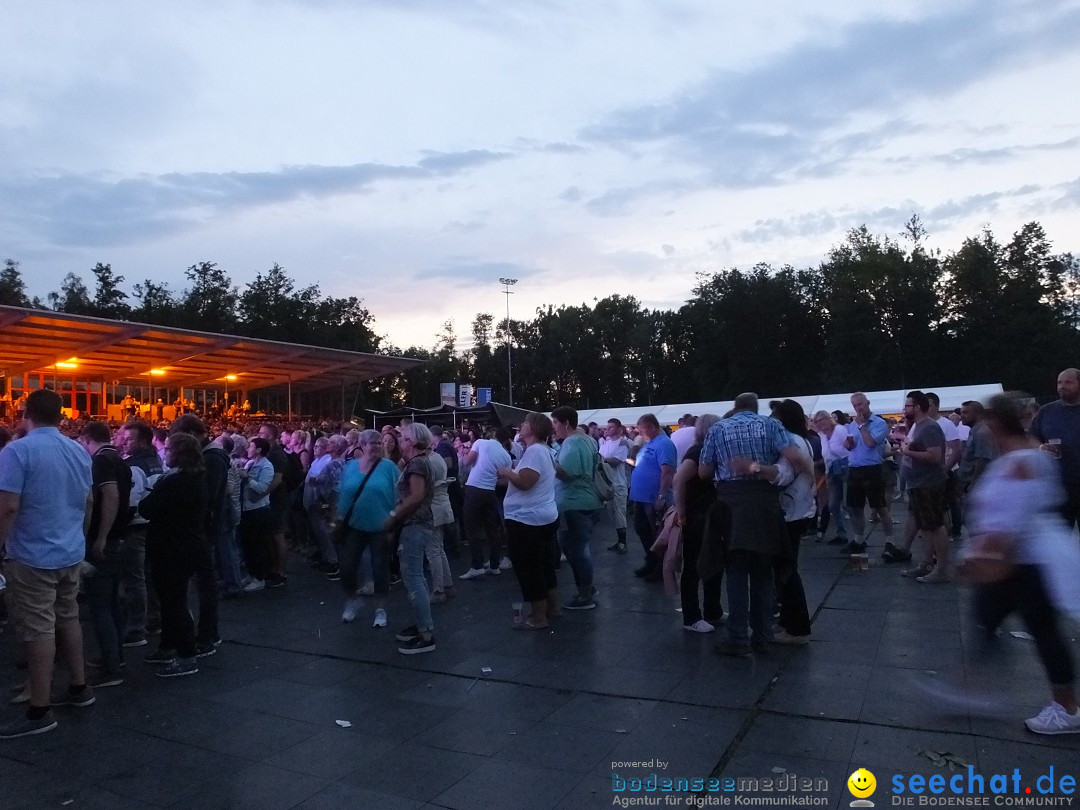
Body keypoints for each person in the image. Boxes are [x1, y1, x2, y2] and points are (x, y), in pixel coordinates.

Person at [927, 393, 1080, 735]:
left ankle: (1067, 708)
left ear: (995, 424)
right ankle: (969, 689)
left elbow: (1010, 520)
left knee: (1043, 632)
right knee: (986, 622)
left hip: (1024, 563)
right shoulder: (1030, 455)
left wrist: (984, 558)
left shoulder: (1019, 463)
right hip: (1018, 560)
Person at [0, 389, 95, 739]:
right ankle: (78, 687)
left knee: (39, 629)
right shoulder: (78, 451)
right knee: (68, 617)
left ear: (26, 414)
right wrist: (80, 540)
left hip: (33, 555)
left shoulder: (18, 451)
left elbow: (8, 507)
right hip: (69, 551)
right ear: (61, 415)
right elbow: (87, 501)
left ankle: (39, 710)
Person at [698, 392, 808, 656]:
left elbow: (703, 472)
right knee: (763, 571)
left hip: (731, 504)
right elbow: (794, 458)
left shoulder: (719, 428)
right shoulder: (772, 425)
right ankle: (763, 636)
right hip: (765, 503)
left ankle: (738, 638)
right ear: (756, 408)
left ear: (735, 407)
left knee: (736, 571)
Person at [139, 433, 208, 677]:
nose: (164, 453)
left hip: (171, 548)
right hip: (188, 545)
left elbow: (146, 508)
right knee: (172, 599)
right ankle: (168, 646)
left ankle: (186, 655)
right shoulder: (197, 477)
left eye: (168, 449)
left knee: (174, 601)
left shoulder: (174, 482)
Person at [77, 421, 133, 688]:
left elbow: (109, 496)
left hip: (105, 540)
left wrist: (99, 536)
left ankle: (110, 666)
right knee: (112, 602)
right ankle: (115, 656)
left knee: (100, 605)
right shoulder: (120, 460)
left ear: (88, 439)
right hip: (121, 537)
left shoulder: (100, 462)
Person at [497, 412, 560, 629]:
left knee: (529, 568)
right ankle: (552, 608)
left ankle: (538, 617)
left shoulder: (534, 451)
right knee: (544, 565)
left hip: (527, 521)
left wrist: (507, 472)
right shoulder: (545, 451)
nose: (521, 425)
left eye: (525, 422)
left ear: (533, 428)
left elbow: (526, 482)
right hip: (543, 516)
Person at [334, 430, 397, 626]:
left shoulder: (389, 467)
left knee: (380, 568)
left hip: (381, 526)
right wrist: (338, 515)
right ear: (362, 444)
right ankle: (353, 600)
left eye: (379, 442)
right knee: (347, 566)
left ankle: (380, 609)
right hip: (354, 525)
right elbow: (343, 492)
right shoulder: (351, 466)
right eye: (373, 443)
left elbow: (401, 492)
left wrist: (394, 517)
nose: (377, 446)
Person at [889, 392, 950, 582]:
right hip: (918, 484)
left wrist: (907, 451)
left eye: (907, 406)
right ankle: (925, 564)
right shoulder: (918, 426)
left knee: (934, 526)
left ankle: (941, 569)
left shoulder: (930, 427)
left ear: (917, 407)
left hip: (928, 484)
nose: (904, 409)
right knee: (925, 527)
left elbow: (934, 456)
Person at [389, 422, 438, 654]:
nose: (399, 441)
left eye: (403, 438)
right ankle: (422, 624)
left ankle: (426, 633)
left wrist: (393, 515)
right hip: (417, 524)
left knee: (414, 577)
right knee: (414, 576)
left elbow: (416, 496)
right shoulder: (417, 461)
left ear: (412, 442)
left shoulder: (417, 463)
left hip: (415, 524)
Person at [770, 401, 816, 645]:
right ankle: (788, 621)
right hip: (798, 509)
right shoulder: (802, 439)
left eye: (774, 415)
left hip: (789, 512)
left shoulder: (789, 441)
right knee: (785, 569)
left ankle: (798, 629)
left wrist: (759, 469)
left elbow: (784, 475)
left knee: (786, 570)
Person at [672, 413, 722, 633]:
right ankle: (691, 616)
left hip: (708, 514)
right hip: (698, 515)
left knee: (713, 563)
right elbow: (679, 480)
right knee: (694, 566)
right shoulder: (697, 451)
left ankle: (713, 610)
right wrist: (682, 513)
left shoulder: (705, 450)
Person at [116, 421, 164, 644]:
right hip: (154, 524)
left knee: (135, 579)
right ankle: (154, 619)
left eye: (130, 439)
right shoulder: (156, 461)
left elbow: (131, 502)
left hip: (135, 526)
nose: (125, 443)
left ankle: (136, 628)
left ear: (143, 440)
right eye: (124, 439)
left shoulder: (134, 467)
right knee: (150, 576)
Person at [551, 406, 602, 610]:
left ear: (565, 423)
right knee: (577, 547)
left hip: (575, 502)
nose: (554, 428)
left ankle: (585, 595)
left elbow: (566, 473)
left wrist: (549, 461)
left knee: (577, 550)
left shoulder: (572, 443)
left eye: (555, 423)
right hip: (588, 500)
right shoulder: (588, 440)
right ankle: (587, 587)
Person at [628, 413, 677, 581]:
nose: (640, 433)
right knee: (642, 529)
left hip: (653, 498)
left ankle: (660, 569)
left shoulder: (664, 444)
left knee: (657, 534)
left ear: (652, 426)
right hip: (642, 497)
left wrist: (662, 495)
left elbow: (667, 471)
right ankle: (651, 561)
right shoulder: (650, 443)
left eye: (642, 430)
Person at [843, 392, 894, 554]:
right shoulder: (852, 425)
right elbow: (851, 446)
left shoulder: (879, 423)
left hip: (872, 469)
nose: (858, 408)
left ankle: (890, 541)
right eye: (855, 406)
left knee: (880, 507)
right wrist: (848, 444)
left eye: (861, 404)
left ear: (868, 403)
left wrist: (863, 425)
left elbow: (871, 443)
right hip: (855, 468)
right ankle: (859, 539)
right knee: (856, 507)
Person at [458, 429, 512, 580]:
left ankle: (477, 565)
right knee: (492, 529)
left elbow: (468, 461)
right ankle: (494, 565)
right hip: (490, 492)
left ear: (493, 436)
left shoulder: (481, 443)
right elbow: (503, 478)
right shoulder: (506, 456)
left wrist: (463, 454)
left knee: (471, 528)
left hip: (474, 489)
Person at [1030, 368, 1080, 530]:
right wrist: (1040, 447)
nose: (1062, 386)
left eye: (1068, 382)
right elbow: (1030, 440)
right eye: (1059, 382)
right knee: (1061, 538)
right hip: (1059, 485)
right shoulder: (1047, 412)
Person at [238, 437, 276, 591]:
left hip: (258, 509)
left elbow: (262, 489)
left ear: (259, 449)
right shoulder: (250, 463)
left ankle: (260, 578)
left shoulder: (266, 467)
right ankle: (252, 574)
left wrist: (247, 478)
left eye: (251, 446)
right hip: (247, 509)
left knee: (258, 545)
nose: (248, 448)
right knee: (247, 544)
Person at [812, 410, 850, 545]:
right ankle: (842, 533)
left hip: (845, 466)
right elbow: (826, 455)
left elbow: (849, 448)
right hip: (831, 470)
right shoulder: (821, 435)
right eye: (817, 421)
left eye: (822, 420)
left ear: (828, 419)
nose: (820, 423)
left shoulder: (840, 430)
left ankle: (856, 535)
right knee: (833, 504)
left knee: (848, 503)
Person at [600, 419, 631, 554]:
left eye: (611, 427)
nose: (608, 429)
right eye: (608, 427)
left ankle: (623, 543)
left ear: (619, 429)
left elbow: (615, 461)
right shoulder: (605, 443)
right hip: (608, 483)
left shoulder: (622, 443)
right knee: (611, 512)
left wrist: (602, 460)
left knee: (619, 512)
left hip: (618, 483)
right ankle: (619, 540)